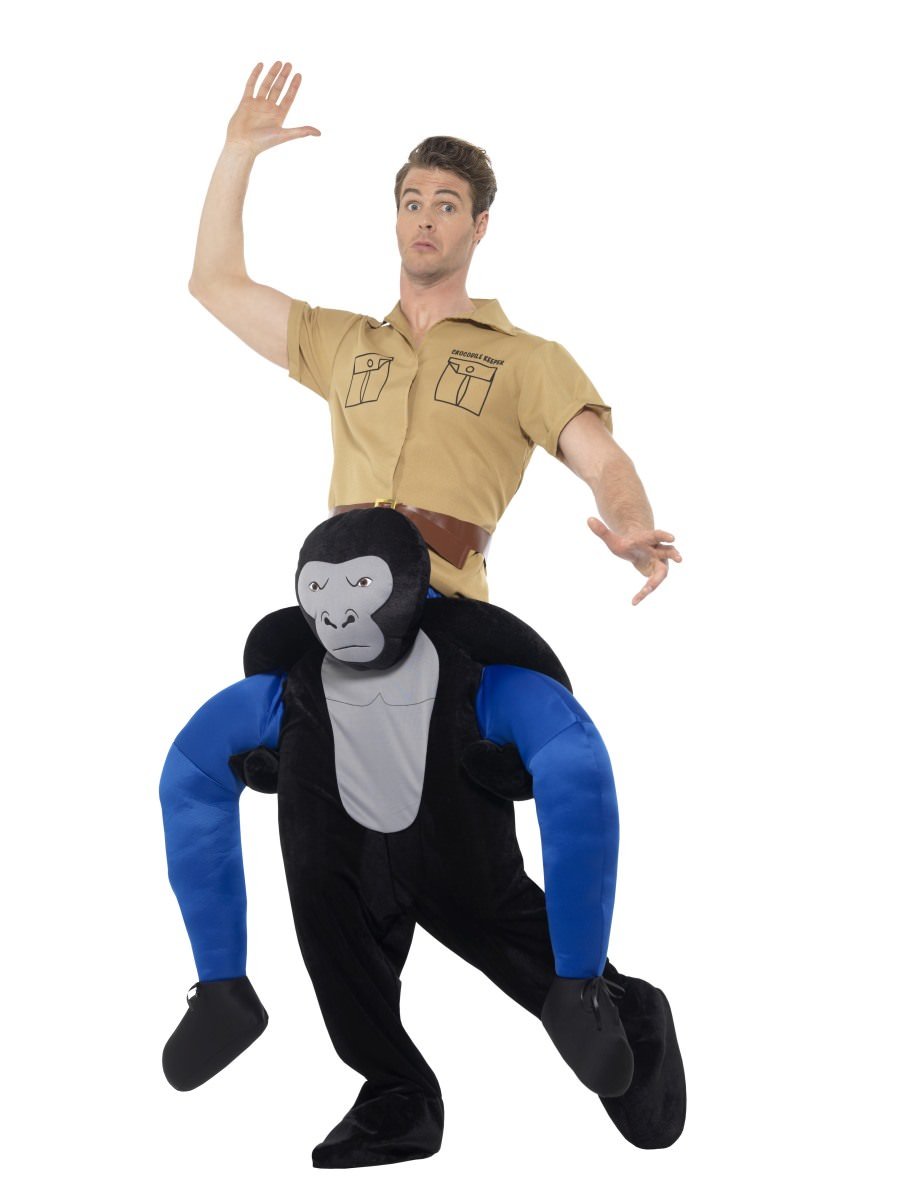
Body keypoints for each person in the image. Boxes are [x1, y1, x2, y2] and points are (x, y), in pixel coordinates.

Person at [187, 60, 682, 603]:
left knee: (519, 666)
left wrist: (633, 528)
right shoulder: (342, 342)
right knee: (264, 660)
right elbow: (215, 282)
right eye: (413, 204)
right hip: (338, 595)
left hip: (444, 601)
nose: (425, 219)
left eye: (446, 206)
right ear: (397, 219)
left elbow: (605, 462)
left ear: (479, 226)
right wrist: (238, 151)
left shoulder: (527, 359)